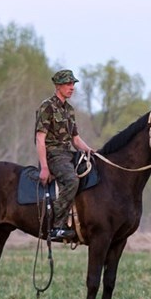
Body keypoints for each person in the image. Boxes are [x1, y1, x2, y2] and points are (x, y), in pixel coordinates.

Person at [35, 69, 94, 241]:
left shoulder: (69, 109)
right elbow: (40, 138)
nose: (72, 87)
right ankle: (56, 226)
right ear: (58, 86)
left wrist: (91, 152)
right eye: (68, 84)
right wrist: (44, 167)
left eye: (73, 84)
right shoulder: (47, 107)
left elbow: (76, 140)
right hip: (54, 155)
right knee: (72, 180)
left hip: (69, 153)